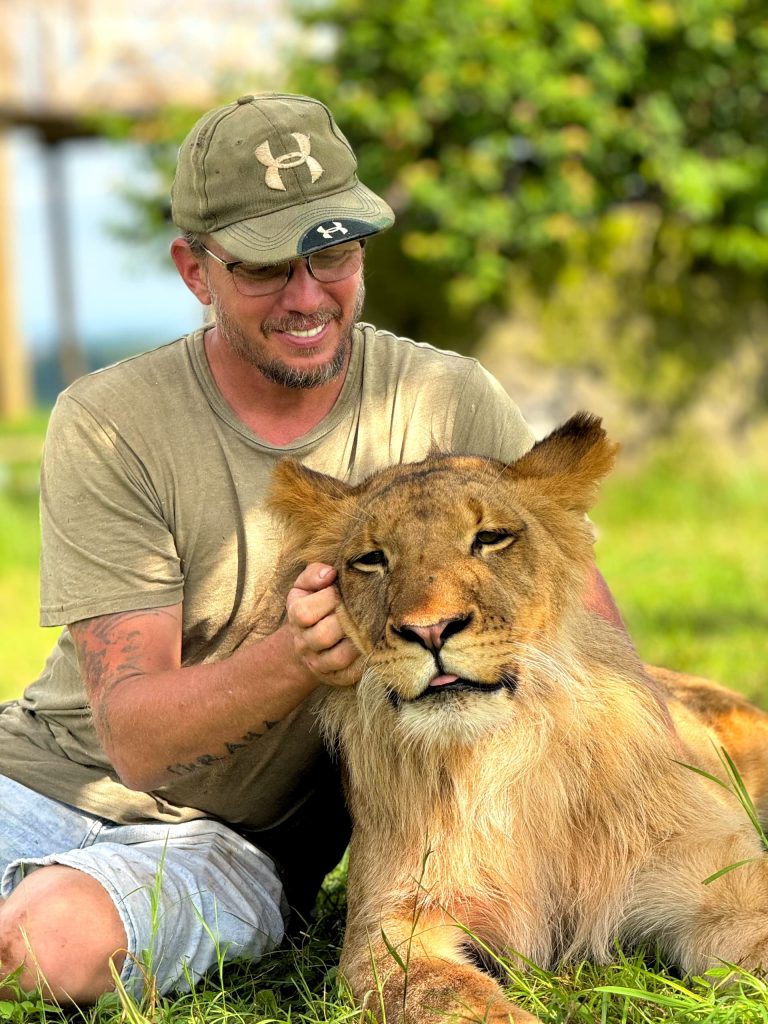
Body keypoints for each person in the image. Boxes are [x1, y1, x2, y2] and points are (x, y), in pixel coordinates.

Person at [0, 93, 623, 1005]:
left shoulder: (446, 397)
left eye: (333, 253)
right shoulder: (111, 420)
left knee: (42, 945)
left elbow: (593, 643)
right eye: (263, 265)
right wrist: (297, 658)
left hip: (223, 841)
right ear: (194, 269)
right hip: (29, 778)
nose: (306, 297)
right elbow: (133, 740)